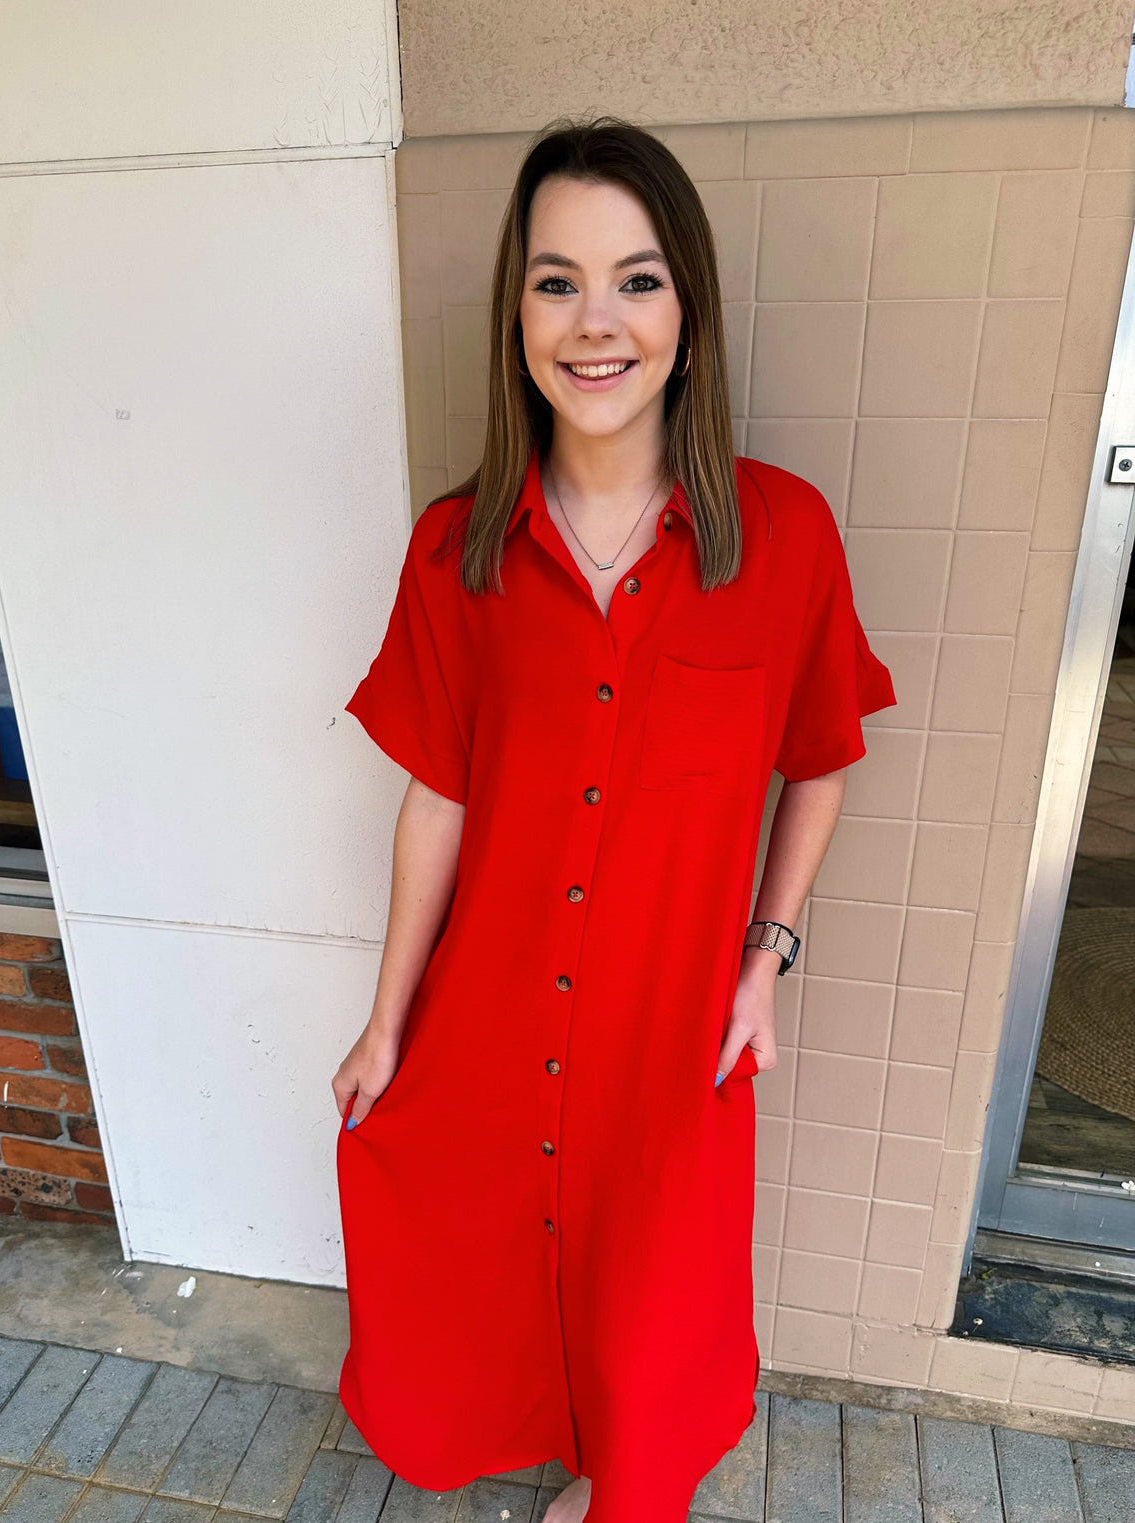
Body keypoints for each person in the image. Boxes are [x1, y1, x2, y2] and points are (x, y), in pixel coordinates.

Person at [332, 115, 896, 1523]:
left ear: (689, 314)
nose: (598, 324)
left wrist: (763, 964)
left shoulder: (785, 539)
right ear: (516, 315)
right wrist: (388, 1017)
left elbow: (821, 758)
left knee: (657, 1318)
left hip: (671, 1041)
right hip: (492, 1021)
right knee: (478, 1282)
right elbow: (437, 802)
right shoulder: (453, 552)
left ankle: (622, 1492)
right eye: (557, 280)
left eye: (637, 281)